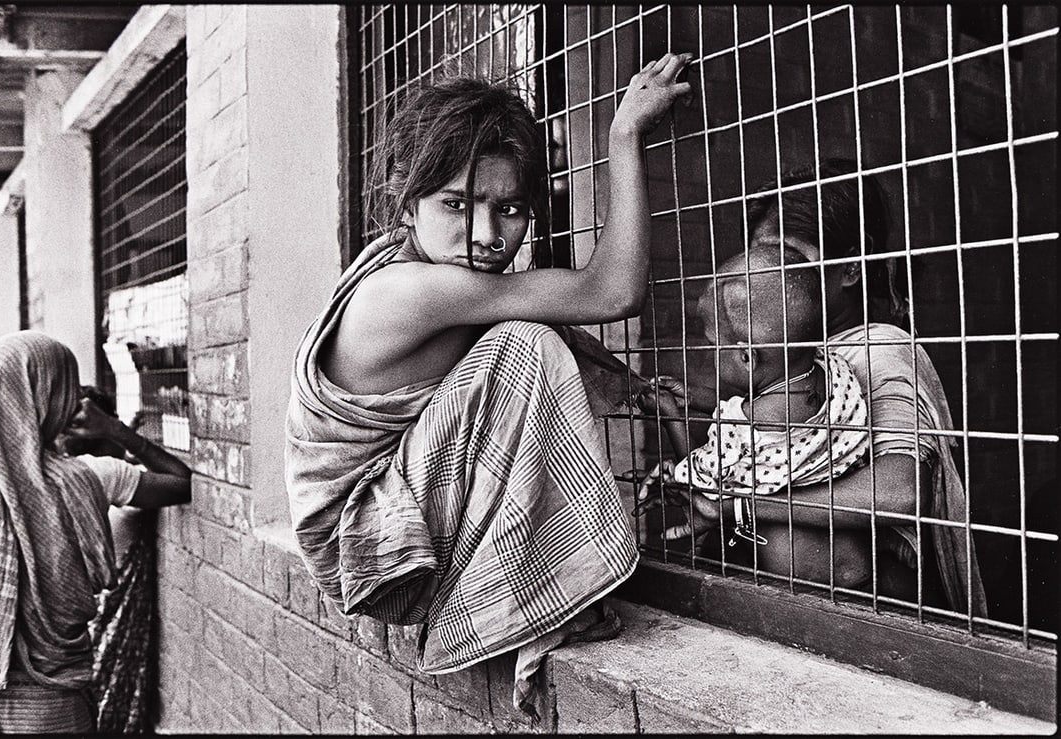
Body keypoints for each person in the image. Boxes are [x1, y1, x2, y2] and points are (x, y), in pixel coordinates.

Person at [285, 53, 693, 717]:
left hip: (394, 525)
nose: (485, 234)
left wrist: (632, 386)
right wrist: (624, 135)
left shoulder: (439, 276)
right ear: (406, 202)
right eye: (456, 204)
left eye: (509, 209)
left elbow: (519, 310)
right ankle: (532, 601)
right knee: (524, 344)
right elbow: (614, 290)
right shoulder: (409, 290)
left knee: (524, 329)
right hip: (372, 554)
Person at [638, 159, 987, 618]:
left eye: (790, 259)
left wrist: (740, 504)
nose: (776, 277)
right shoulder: (797, 360)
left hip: (882, 613)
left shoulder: (876, 349)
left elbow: (901, 491)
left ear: (851, 266)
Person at [0, 331, 190, 733]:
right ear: (59, 398)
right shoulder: (91, 477)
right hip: (54, 706)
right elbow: (180, 481)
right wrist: (115, 430)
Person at [639, 246, 871, 585]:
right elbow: (774, 414)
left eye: (712, 345)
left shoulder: (741, 425)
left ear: (748, 356)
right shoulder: (836, 373)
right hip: (856, 564)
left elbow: (703, 485)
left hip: (797, 579)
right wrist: (698, 399)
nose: (709, 356)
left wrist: (670, 413)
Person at [58, 385, 190, 734]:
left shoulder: (73, 474)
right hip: (100, 631)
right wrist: (118, 430)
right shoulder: (104, 474)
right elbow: (182, 481)